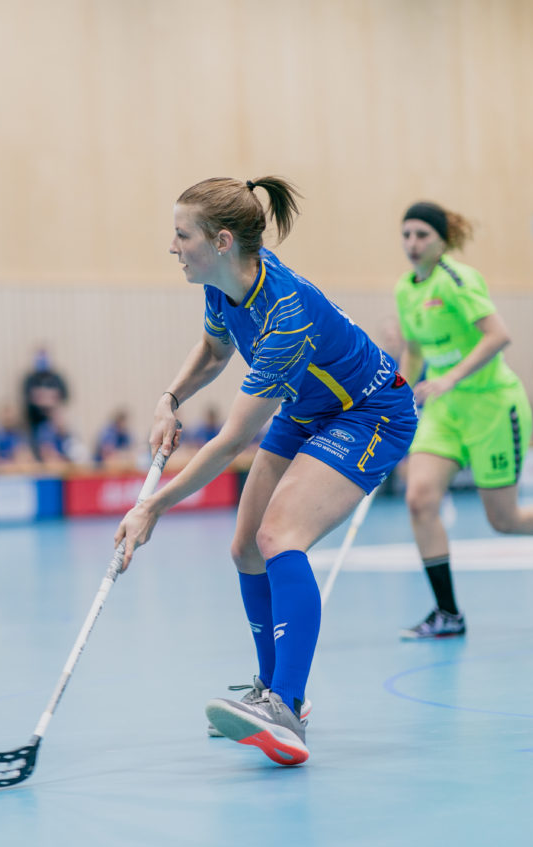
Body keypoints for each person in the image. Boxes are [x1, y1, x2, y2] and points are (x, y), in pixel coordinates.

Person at [115, 176, 418, 768]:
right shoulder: (223, 282)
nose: (173, 247)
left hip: (370, 412)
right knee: (245, 549)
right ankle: (271, 689)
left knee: (280, 537)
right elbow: (213, 351)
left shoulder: (285, 314)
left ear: (222, 240)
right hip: (308, 408)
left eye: (182, 236)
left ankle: (287, 704)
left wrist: (151, 506)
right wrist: (169, 398)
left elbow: (232, 440)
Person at [394, 201, 533, 641]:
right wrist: (397, 391)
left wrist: (450, 377)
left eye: (422, 235)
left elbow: (499, 335)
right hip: (446, 410)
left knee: (504, 518)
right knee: (419, 498)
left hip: (493, 406)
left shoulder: (458, 280)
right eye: (407, 235)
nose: (413, 244)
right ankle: (448, 613)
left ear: (441, 241)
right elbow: (415, 348)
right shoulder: (405, 290)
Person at [21, 346, 69, 452]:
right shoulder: (30, 379)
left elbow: (64, 396)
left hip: (54, 422)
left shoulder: (56, 378)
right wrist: (50, 397)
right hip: (35, 421)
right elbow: (29, 397)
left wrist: (42, 396)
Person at [0, 402, 38, 472]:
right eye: (6, 414)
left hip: (18, 472)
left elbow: (26, 454)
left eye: (11, 414)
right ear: (0, 416)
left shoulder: (19, 433)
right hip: (0, 474)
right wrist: (10, 465)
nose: (9, 417)